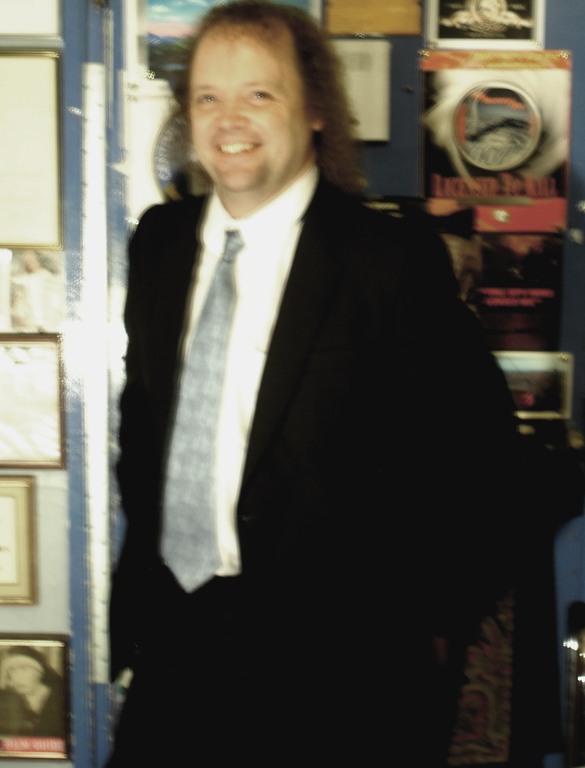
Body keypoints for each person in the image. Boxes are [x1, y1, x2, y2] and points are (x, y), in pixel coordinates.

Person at [106, 2, 527, 765]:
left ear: (316, 113)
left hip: (340, 685)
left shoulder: (387, 262)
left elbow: (489, 464)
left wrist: (430, 630)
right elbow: (143, 434)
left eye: (259, 93)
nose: (229, 119)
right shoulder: (158, 245)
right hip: (175, 659)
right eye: (207, 96)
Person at [0, 646, 65, 738]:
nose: (17, 677)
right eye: (12, 670)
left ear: (40, 673)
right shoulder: (8, 701)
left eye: (24, 668)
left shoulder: (61, 698)